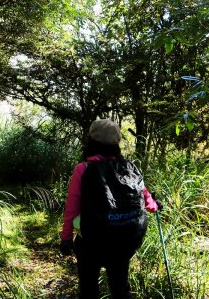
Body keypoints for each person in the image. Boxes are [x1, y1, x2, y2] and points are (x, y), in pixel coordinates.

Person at [59, 119, 162, 299]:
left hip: (92, 242)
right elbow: (148, 204)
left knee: (89, 290)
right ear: (117, 142)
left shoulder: (83, 168)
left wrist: (66, 238)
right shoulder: (130, 168)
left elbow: (72, 208)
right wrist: (156, 204)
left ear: (91, 140)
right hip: (123, 242)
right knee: (120, 288)